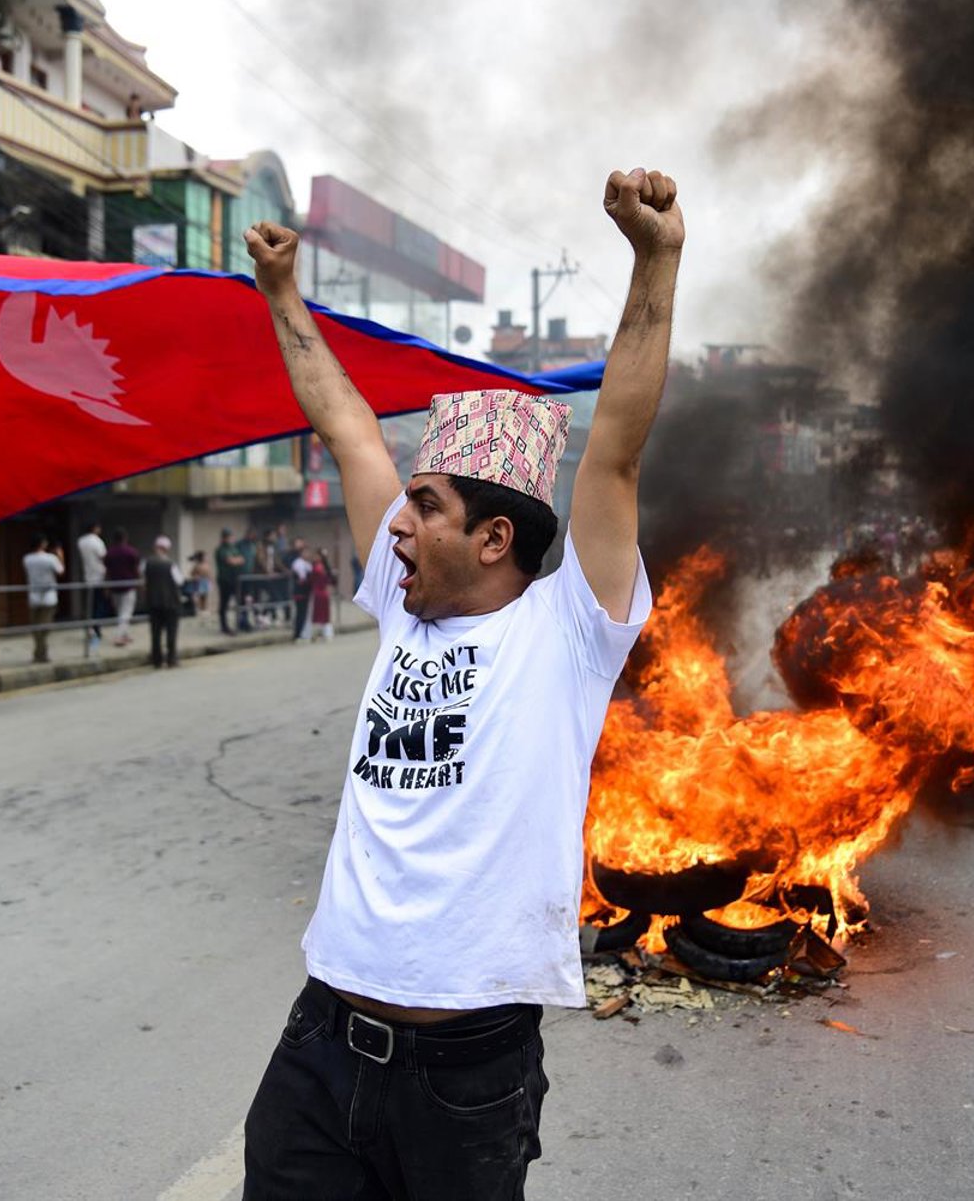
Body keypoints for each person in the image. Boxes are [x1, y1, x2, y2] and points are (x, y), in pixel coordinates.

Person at [236, 166, 677, 1198]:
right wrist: (282, 296)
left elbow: (615, 453)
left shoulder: (567, 630)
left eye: (424, 504)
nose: (396, 521)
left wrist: (656, 259)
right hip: (319, 1044)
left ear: (493, 538)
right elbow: (347, 427)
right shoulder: (402, 607)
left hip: (465, 1078)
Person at [22, 536, 64, 663]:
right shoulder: (51, 558)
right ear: (43, 544)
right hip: (48, 597)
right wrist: (60, 556)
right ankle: (41, 653)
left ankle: (39, 653)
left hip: (33, 596)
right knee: (45, 626)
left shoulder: (27, 559)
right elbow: (61, 571)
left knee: (36, 626)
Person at [142, 535, 182, 668]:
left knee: (155, 632)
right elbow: (179, 581)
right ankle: (171, 658)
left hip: (153, 603)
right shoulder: (171, 564)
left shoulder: (146, 563)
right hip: (170, 603)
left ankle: (157, 659)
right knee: (171, 632)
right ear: (167, 549)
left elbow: (144, 580)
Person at [105, 529, 142, 646]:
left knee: (119, 612)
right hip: (128, 586)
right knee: (126, 613)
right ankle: (119, 637)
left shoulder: (109, 553)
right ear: (125, 538)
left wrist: (107, 586)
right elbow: (136, 569)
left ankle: (125, 634)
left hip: (114, 586)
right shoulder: (131, 552)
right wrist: (140, 582)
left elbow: (107, 571)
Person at [77, 523, 109, 645]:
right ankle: (96, 629)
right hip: (98, 576)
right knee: (99, 605)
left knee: (90, 605)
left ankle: (90, 628)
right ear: (95, 528)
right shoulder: (97, 541)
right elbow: (103, 557)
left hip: (87, 577)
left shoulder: (81, 541)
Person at [214, 527, 247, 635]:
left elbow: (242, 559)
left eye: (231, 537)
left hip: (234, 579)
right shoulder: (221, 549)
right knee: (224, 604)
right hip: (225, 580)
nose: (231, 539)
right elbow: (230, 561)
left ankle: (242, 623)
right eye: (228, 537)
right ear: (224, 538)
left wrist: (236, 560)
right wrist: (236, 560)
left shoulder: (233, 548)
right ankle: (224, 626)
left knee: (240, 601)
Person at [301, 547, 335, 643]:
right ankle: (327, 633)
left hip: (316, 593)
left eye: (316, 555)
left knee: (312, 615)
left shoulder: (316, 568)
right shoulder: (324, 568)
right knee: (325, 615)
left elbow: (310, 580)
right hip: (324, 593)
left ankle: (309, 634)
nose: (314, 557)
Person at [289, 538, 313, 639]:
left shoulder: (307, 564)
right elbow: (302, 578)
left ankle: (302, 633)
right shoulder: (298, 563)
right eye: (306, 552)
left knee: (304, 613)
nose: (308, 554)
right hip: (300, 591)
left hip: (306, 592)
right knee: (300, 613)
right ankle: (297, 633)